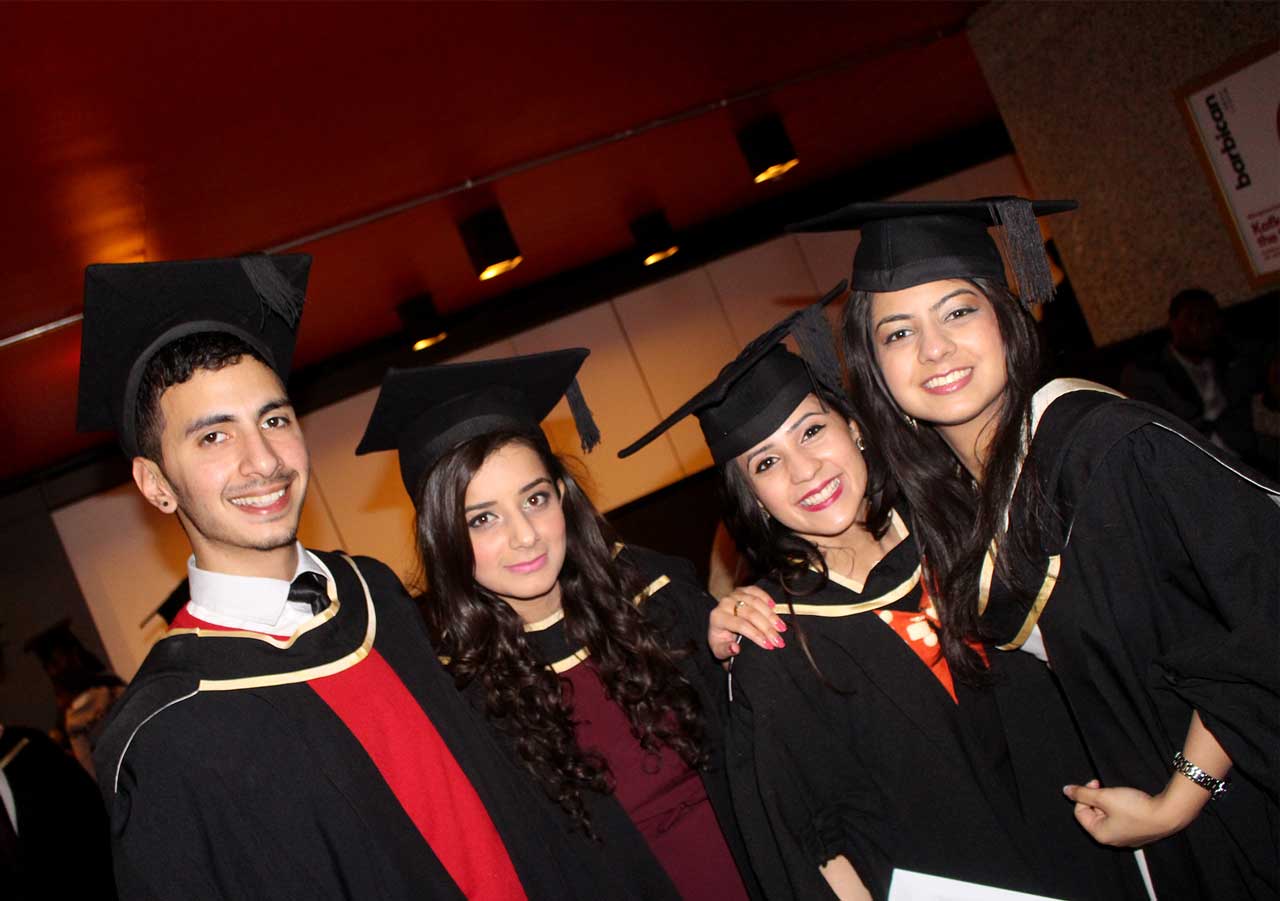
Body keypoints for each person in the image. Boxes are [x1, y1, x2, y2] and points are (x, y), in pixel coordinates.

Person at [792, 197, 1279, 899]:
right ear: (879, 375)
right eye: (898, 333)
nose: (934, 349)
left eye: (958, 311)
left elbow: (1262, 611)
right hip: (1135, 848)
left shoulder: (1106, 448)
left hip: (1234, 830)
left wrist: (1180, 795)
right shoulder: (955, 507)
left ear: (1005, 320)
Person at [81, 256, 612, 899]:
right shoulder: (167, 737)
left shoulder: (375, 595)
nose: (264, 460)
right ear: (157, 485)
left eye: (274, 420)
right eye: (215, 437)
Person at [618, 293, 1144, 900]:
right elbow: (812, 841)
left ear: (858, 429)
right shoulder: (775, 645)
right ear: (754, 499)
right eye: (766, 463)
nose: (804, 471)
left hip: (1106, 858)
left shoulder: (969, 533)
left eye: (812, 430)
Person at [354, 349, 762, 901]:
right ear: (444, 540)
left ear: (563, 498)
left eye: (535, 498)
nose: (524, 535)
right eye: (483, 518)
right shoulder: (463, 704)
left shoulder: (662, 603)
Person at [1121, 287, 1259, 460]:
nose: (1206, 327)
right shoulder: (1147, 372)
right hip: (1189, 464)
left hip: (1244, 460)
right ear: (1172, 323)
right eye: (1195, 318)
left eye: (1212, 318)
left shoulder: (1231, 358)